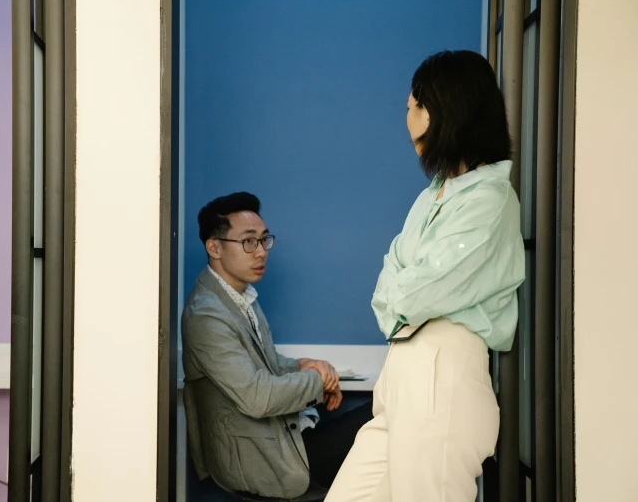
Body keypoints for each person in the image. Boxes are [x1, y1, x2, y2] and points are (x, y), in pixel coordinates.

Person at [326, 50, 526, 501]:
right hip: (402, 368)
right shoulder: (432, 196)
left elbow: (424, 288)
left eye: (417, 104)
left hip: (445, 369)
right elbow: (388, 285)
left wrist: (404, 294)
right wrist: (404, 294)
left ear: (452, 108)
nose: (408, 116)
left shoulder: (490, 198)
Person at [182, 192, 373, 499]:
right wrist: (317, 379)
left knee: (384, 412)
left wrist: (302, 365)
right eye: (248, 242)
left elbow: (263, 362)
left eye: (264, 240)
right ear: (214, 247)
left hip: (287, 438)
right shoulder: (207, 315)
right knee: (381, 421)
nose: (261, 252)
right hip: (265, 458)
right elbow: (257, 397)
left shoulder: (238, 297)